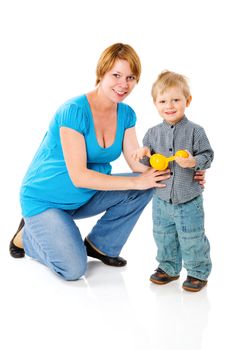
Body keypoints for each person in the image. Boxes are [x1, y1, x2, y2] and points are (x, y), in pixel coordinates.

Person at [9, 44, 205, 282]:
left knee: (149, 183)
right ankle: (28, 235)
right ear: (101, 73)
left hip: (86, 196)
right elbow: (79, 177)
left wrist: (183, 171)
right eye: (116, 75)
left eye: (131, 78)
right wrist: (138, 182)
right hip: (46, 200)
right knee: (73, 270)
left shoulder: (126, 114)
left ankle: (101, 245)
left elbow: (139, 166)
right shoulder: (73, 111)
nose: (124, 84)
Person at [132, 70, 213, 292]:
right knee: (163, 234)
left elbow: (208, 155)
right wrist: (143, 153)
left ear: (187, 101)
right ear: (155, 104)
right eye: (163, 101)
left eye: (176, 100)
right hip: (161, 198)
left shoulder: (196, 131)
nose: (169, 105)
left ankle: (197, 271)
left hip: (188, 198)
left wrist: (193, 162)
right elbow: (150, 163)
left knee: (192, 236)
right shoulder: (151, 134)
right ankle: (168, 268)